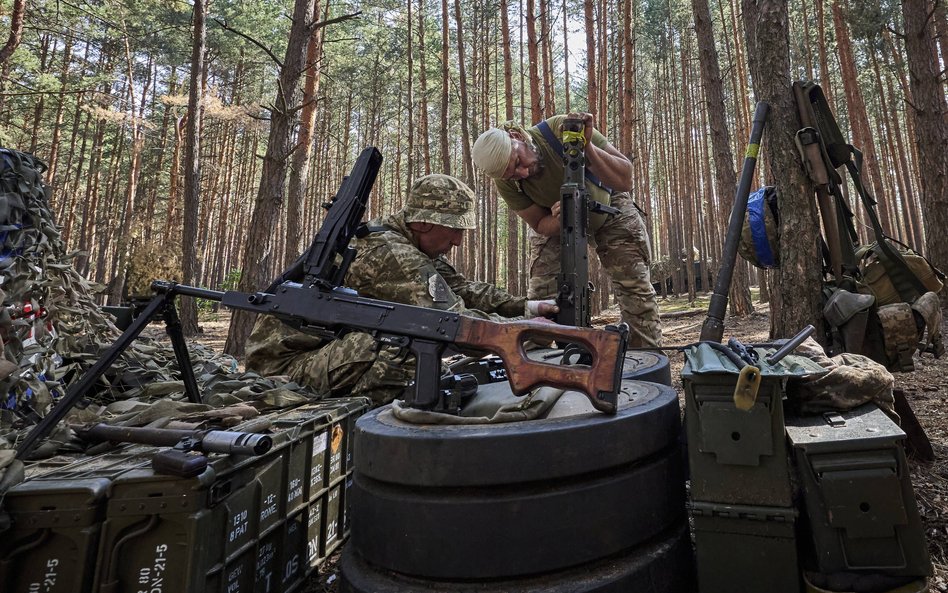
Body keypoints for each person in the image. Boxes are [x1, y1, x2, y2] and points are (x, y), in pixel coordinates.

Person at [245, 173, 557, 406]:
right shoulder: (394, 254)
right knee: (407, 348)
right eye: (454, 229)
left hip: (321, 352)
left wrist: (528, 308)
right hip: (284, 368)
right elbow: (456, 325)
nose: (459, 241)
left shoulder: (406, 240)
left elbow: (461, 287)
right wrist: (525, 330)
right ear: (423, 223)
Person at [471, 112, 662, 348]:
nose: (521, 173)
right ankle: (534, 364)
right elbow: (540, 224)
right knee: (542, 297)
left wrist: (587, 146)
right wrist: (561, 218)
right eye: (511, 174)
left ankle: (645, 361)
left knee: (635, 288)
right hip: (556, 221)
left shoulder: (559, 130)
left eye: (518, 162)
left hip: (610, 203)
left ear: (516, 136)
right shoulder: (505, 180)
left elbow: (624, 180)